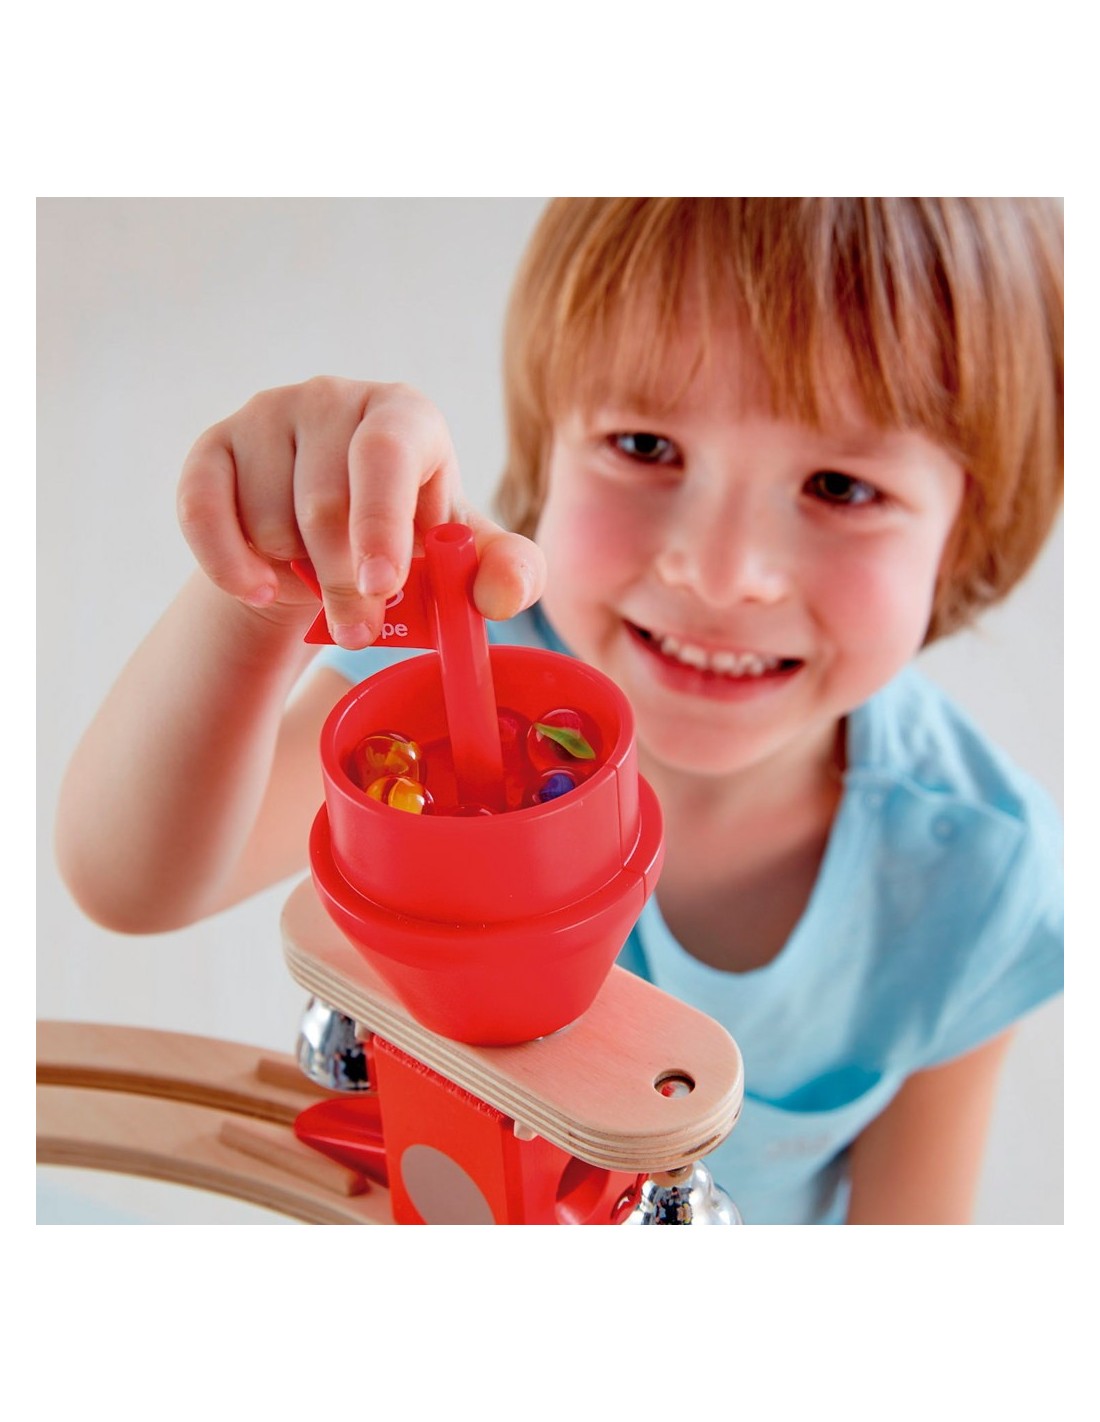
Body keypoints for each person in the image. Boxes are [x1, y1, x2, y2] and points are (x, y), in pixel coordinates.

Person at [54, 198, 1064, 1224]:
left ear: (965, 534)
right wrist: (265, 581)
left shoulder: (981, 877)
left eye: (840, 487)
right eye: (645, 444)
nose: (719, 573)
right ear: (547, 457)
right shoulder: (457, 679)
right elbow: (134, 880)